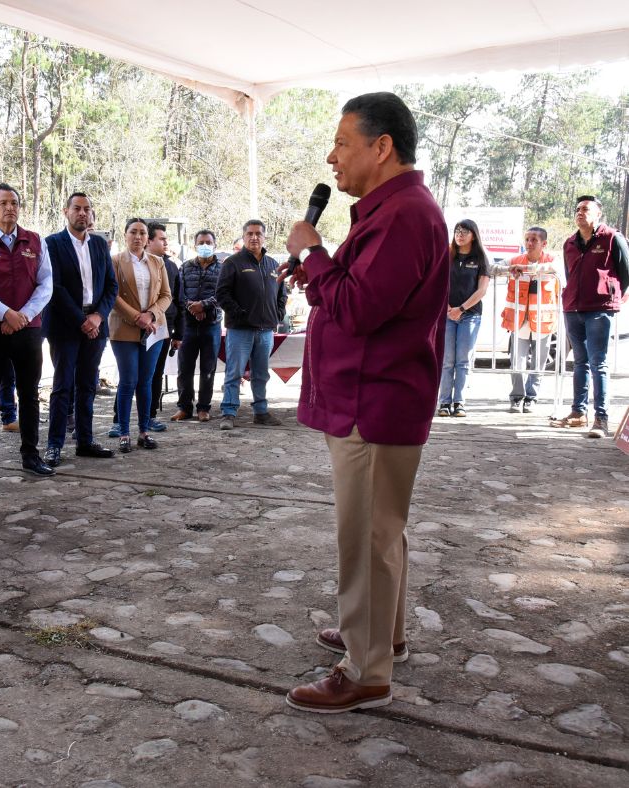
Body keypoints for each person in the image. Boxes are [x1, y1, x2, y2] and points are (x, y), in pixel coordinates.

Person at [283, 92, 448, 713]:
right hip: (373, 398)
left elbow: (357, 309)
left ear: (382, 148)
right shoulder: (394, 211)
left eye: (342, 143)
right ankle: (384, 636)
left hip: (374, 404)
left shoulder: (405, 214)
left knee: (366, 536)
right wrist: (322, 273)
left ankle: (366, 671)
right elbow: (362, 293)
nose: (332, 157)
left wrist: (316, 252)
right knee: (384, 531)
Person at [0, 183, 54, 478]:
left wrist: (24, 316)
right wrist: (5, 314)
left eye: (14, 202)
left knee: (28, 394)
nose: (9, 208)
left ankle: (31, 456)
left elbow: (46, 284)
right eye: (3, 203)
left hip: (28, 330)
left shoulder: (35, 241)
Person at [42, 192, 118, 466]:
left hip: (95, 325)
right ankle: (54, 445)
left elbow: (111, 285)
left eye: (87, 209)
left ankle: (85, 440)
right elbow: (56, 287)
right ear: (66, 211)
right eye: (77, 208)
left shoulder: (99, 244)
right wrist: (81, 320)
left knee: (88, 384)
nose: (82, 213)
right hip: (65, 325)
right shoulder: (52, 243)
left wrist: (97, 316)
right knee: (63, 386)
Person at [551, 195, 629, 438]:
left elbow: (626, 270)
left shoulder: (612, 237)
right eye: (577, 209)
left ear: (598, 214)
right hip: (573, 307)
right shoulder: (569, 243)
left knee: (598, 362)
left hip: (599, 308)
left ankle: (601, 418)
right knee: (580, 363)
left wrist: (616, 296)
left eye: (585, 209)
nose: (580, 213)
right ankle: (578, 413)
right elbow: (569, 273)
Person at [215, 220, 287, 430]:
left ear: (264, 237)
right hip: (240, 330)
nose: (254, 237)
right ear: (244, 236)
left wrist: (278, 314)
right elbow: (222, 294)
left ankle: (261, 412)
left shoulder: (274, 265)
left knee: (261, 374)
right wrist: (239, 312)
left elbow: (282, 294)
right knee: (234, 373)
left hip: (265, 331)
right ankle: (228, 412)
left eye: (258, 234)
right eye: (250, 234)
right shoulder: (233, 263)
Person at [108, 218, 172, 453]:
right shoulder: (115, 261)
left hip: (154, 329)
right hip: (124, 328)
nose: (138, 237)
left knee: (146, 381)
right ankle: (123, 432)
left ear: (148, 237)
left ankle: (143, 431)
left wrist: (151, 315)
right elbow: (113, 294)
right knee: (128, 381)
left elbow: (166, 295)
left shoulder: (157, 262)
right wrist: (138, 317)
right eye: (133, 232)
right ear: (125, 235)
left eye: (142, 233)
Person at [436, 219, 490, 418]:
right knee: (447, 360)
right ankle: (444, 402)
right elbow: (438, 284)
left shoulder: (481, 258)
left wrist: (461, 308)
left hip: (470, 315)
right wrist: (448, 308)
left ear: (473, 235)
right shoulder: (447, 256)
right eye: (457, 231)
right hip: (447, 314)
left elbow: (482, 290)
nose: (460, 234)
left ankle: (459, 402)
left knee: (463, 360)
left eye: (465, 231)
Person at [501, 227, 559, 413]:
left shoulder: (552, 260)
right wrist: (509, 269)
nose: (529, 243)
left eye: (534, 239)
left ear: (544, 243)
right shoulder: (516, 260)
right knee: (517, 362)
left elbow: (557, 269)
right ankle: (517, 397)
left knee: (538, 363)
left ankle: (532, 397)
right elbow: (493, 267)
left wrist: (533, 269)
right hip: (519, 321)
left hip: (543, 321)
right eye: (527, 239)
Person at [171, 230, 222, 422]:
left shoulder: (223, 268)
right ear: (195, 245)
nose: (205, 245)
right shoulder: (185, 267)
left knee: (208, 368)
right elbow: (179, 294)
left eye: (209, 242)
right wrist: (193, 308)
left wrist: (204, 306)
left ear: (215, 245)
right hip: (188, 325)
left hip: (212, 324)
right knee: (184, 368)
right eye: (201, 242)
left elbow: (223, 294)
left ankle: (203, 408)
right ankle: (184, 407)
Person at [145, 222, 181, 431]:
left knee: (156, 373)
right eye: (162, 238)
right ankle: (117, 419)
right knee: (131, 375)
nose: (166, 242)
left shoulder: (171, 266)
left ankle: (150, 416)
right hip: (135, 324)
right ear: (149, 241)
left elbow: (177, 300)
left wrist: (179, 332)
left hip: (162, 326)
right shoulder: (128, 262)